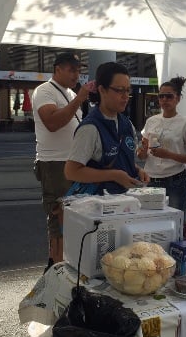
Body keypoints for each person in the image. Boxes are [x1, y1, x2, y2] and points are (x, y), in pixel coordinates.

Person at [32, 51, 90, 267]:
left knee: (72, 215)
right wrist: (80, 99)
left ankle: (63, 263)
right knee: (59, 215)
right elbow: (52, 123)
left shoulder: (70, 93)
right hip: (54, 163)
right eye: (72, 69)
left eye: (78, 70)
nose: (76, 74)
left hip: (72, 162)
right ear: (57, 69)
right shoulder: (45, 90)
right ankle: (56, 266)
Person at [65, 62, 149, 193]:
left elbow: (122, 159)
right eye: (119, 90)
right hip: (98, 201)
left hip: (127, 199)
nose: (125, 96)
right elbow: (71, 172)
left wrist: (138, 170)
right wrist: (114, 175)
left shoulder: (126, 123)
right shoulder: (90, 128)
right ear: (102, 90)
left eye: (128, 90)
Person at [137, 76, 186, 212]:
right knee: (150, 220)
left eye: (169, 96)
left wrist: (169, 155)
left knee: (173, 221)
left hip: (175, 182)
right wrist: (141, 151)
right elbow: (142, 154)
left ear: (178, 98)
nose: (164, 100)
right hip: (151, 180)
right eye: (161, 96)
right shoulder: (151, 121)